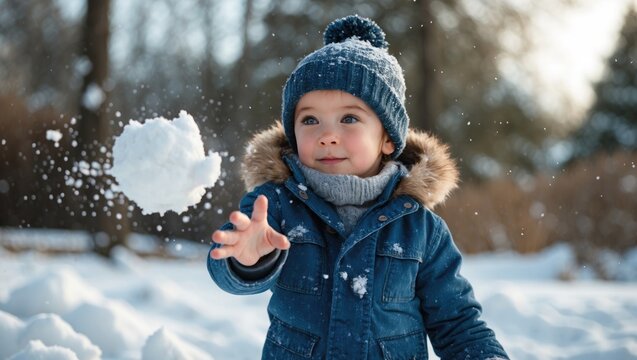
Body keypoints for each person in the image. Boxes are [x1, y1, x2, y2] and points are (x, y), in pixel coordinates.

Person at [207, 15, 509, 360]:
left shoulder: (420, 229)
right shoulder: (274, 205)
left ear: (387, 140)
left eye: (349, 118)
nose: (327, 135)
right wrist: (246, 261)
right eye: (309, 120)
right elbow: (225, 270)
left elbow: (457, 322)